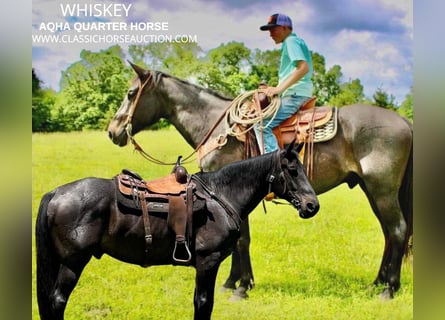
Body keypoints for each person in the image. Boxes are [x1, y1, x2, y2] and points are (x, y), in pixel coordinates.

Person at [255, 13, 314, 154]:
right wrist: (273, 89)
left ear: (284, 28)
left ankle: (275, 165)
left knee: (261, 125)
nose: (270, 34)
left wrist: (278, 89)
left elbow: (303, 67)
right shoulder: (295, 41)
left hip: (295, 95)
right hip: (296, 93)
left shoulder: (290, 42)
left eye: (273, 29)